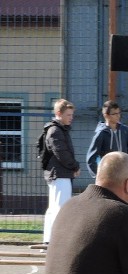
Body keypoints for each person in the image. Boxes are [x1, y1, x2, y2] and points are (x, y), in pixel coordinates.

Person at [41, 98, 80, 244]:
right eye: (68, 115)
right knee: (60, 207)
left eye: (72, 115)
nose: (71, 118)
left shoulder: (57, 129)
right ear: (59, 113)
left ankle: (49, 239)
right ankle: (58, 240)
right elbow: (61, 153)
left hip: (58, 173)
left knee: (54, 207)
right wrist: (74, 166)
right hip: (60, 174)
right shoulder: (55, 131)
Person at [85, 100, 128, 178]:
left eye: (119, 113)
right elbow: (91, 157)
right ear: (106, 115)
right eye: (114, 114)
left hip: (124, 174)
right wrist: (98, 175)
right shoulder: (101, 133)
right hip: (109, 175)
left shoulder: (125, 130)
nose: (118, 116)